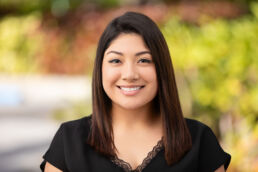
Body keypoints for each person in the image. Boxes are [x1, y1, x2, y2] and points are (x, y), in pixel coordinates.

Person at [40, 12, 231, 172]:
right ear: (100, 69)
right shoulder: (70, 141)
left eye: (144, 60)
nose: (130, 74)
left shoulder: (199, 140)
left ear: (161, 69)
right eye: (116, 61)